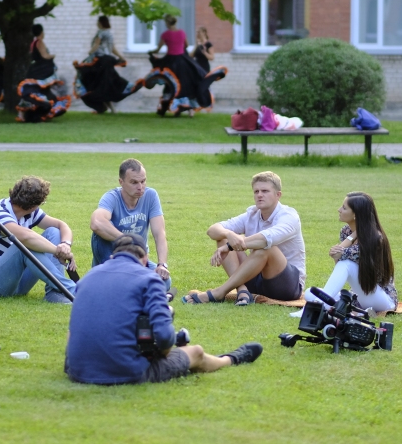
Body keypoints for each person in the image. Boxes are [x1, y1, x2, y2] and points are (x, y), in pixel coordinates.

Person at [65, 234, 263, 385]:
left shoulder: (88, 277)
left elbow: (73, 330)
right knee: (195, 352)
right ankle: (231, 359)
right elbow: (165, 340)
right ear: (145, 260)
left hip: (77, 368)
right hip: (126, 371)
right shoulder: (149, 279)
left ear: (112, 256)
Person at [184, 171, 306, 306]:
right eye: (256, 191)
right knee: (222, 238)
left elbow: (265, 239)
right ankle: (242, 290)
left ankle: (219, 292)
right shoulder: (252, 214)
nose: (259, 195)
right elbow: (212, 230)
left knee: (267, 248)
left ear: (278, 195)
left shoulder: (289, 217)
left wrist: (229, 246)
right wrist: (228, 235)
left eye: (265, 191)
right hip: (256, 280)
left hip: (286, 287)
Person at [0, 176, 77, 304]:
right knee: (22, 246)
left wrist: (65, 245)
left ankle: (55, 292)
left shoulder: (30, 212)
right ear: (33, 206)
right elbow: (26, 237)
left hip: (16, 282)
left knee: (53, 231)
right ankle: (73, 290)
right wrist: (58, 251)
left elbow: (61, 225)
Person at [303, 192, 397, 314]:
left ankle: (318, 307)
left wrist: (340, 252)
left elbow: (343, 258)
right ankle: (332, 306)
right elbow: (339, 261)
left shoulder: (375, 238)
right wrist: (354, 234)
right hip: (359, 296)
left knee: (346, 263)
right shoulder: (346, 231)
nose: (339, 210)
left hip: (382, 298)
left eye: (344, 208)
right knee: (310, 292)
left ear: (356, 215)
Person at [89, 159, 171, 291]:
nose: (140, 187)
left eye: (143, 181)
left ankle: (116, 283)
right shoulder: (112, 197)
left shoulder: (151, 196)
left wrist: (162, 265)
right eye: (134, 182)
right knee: (104, 224)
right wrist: (128, 242)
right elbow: (96, 223)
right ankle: (111, 277)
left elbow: (159, 233)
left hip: (137, 258)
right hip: (113, 255)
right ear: (121, 182)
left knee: (164, 282)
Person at [144, 14, 226, 116]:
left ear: (167, 23)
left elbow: (158, 49)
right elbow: (186, 45)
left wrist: (151, 52)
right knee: (185, 84)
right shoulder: (182, 33)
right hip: (182, 62)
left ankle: (171, 106)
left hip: (170, 62)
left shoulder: (165, 34)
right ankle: (187, 108)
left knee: (170, 84)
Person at [73, 16, 143, 114]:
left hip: (100, 61)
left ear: (100, 23)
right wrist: (120, 57)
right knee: (105, 85)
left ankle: (104, 108)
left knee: (93, 82)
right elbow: (112, 48)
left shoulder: (100, 33)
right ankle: (111, 109)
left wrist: (90, 52)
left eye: (98, 22)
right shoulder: (110, 33)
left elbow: (96, 45)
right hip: (108, 60)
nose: (97, 23)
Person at [16, 24, 70, 122]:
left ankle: (24, 113)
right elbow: (44, 56)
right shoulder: (40, 42)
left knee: (40, 89)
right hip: (42, 70)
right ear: (41, 32)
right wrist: (52, 55)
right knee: (39, 88)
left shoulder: (33, 42)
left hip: (37, 69)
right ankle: (37, 111)